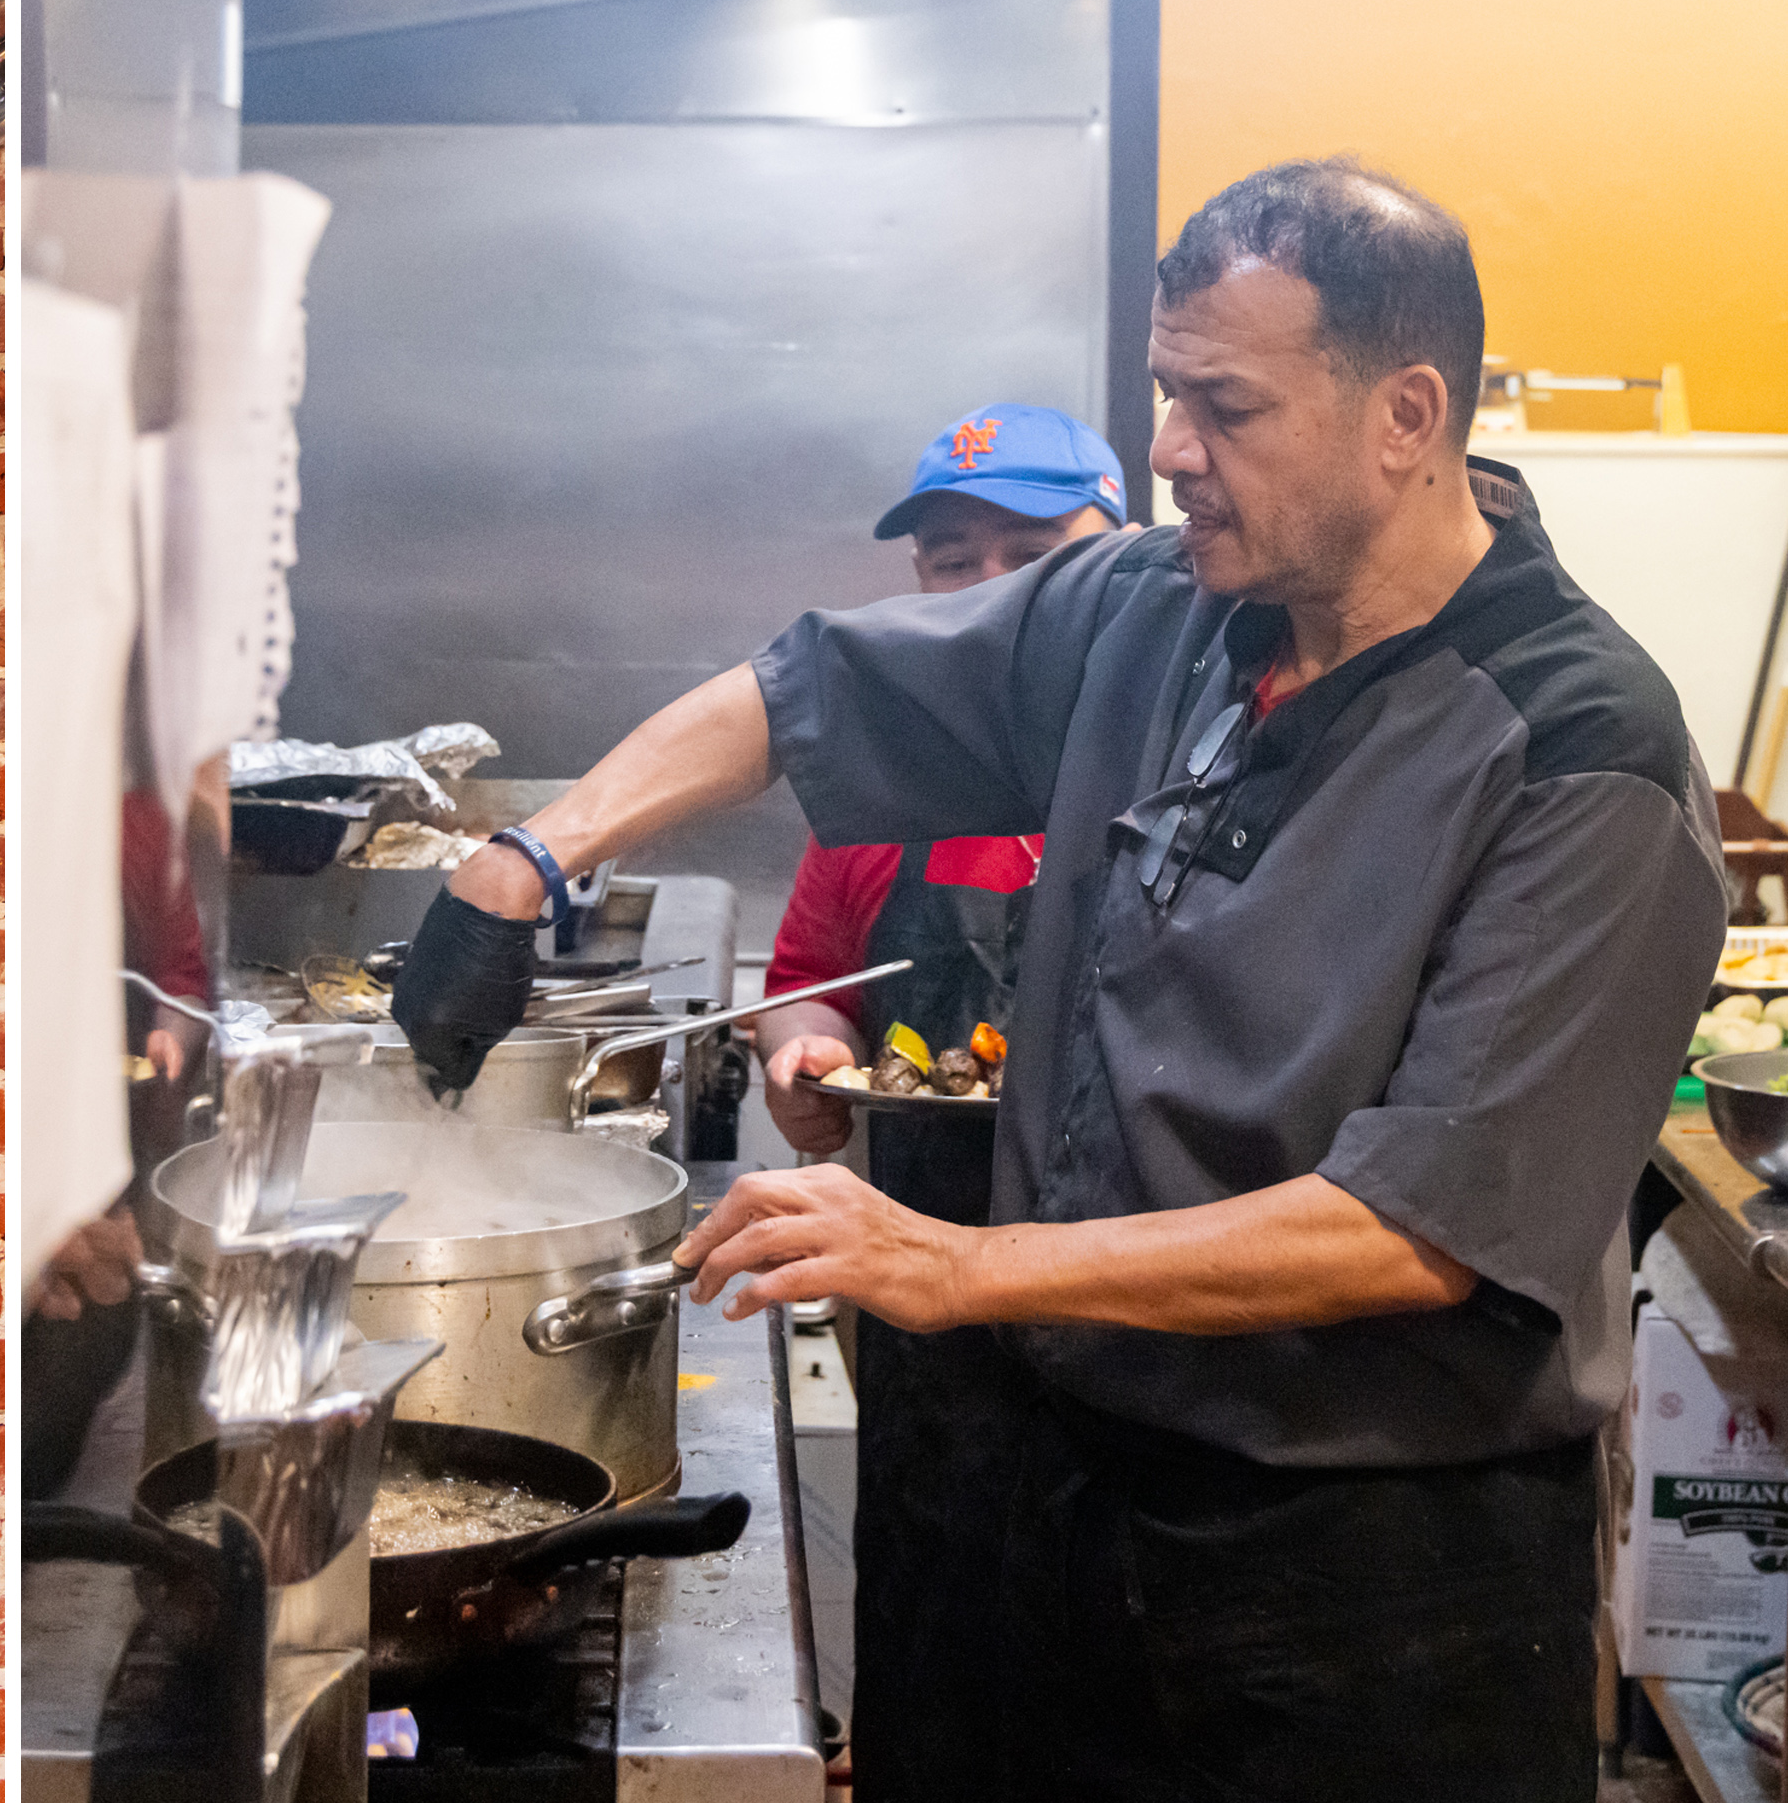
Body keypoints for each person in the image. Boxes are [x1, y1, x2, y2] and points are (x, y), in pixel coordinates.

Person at [390, 160, 1724, 1800]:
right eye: (1167, 393)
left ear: (1405, 412)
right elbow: (797, 688)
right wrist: (529, 859)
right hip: (1038, 1488)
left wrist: (960, 1262)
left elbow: (1417, 1224)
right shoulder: (1147, 610)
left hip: (1354, 1587)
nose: (1169, 451)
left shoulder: (1579, 747)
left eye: (1221, 404)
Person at [745, 403, 1122, 1803]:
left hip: (1149, 1316)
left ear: (1125, 553)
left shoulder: (1185, 773)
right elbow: (804, 987)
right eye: (951, 563)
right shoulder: (885, 791)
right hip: (924, 1312)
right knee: (935, 1638)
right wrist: (800, 1062)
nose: (989, 593)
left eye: (1033, 553)